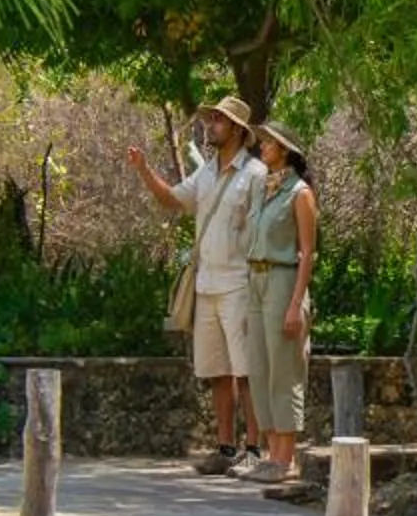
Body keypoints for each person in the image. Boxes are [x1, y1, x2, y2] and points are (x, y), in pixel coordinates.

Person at [124, 95, 265, 474]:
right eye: (210, 118)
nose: (210, 125)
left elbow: (262, 233)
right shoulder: (206, 173)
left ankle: (253, 449)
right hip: (207, 285)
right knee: (217, 370)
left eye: (218, 120)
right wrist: (143, 169)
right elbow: (171, 199)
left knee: (246, 370)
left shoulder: (254, 175)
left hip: (239, 284)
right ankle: (224, 448)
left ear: (237, 129)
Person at [238, 117, 320, 481]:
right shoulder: (261, 189)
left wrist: (295, 303)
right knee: (259, 367)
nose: (262, 148)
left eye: (269, 143)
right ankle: (270, 455)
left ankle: (285, 459)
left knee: (283, 369)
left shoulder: (300, 193)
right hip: (255, 280)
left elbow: (307, 252)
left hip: (283, 280)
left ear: (284, 150)